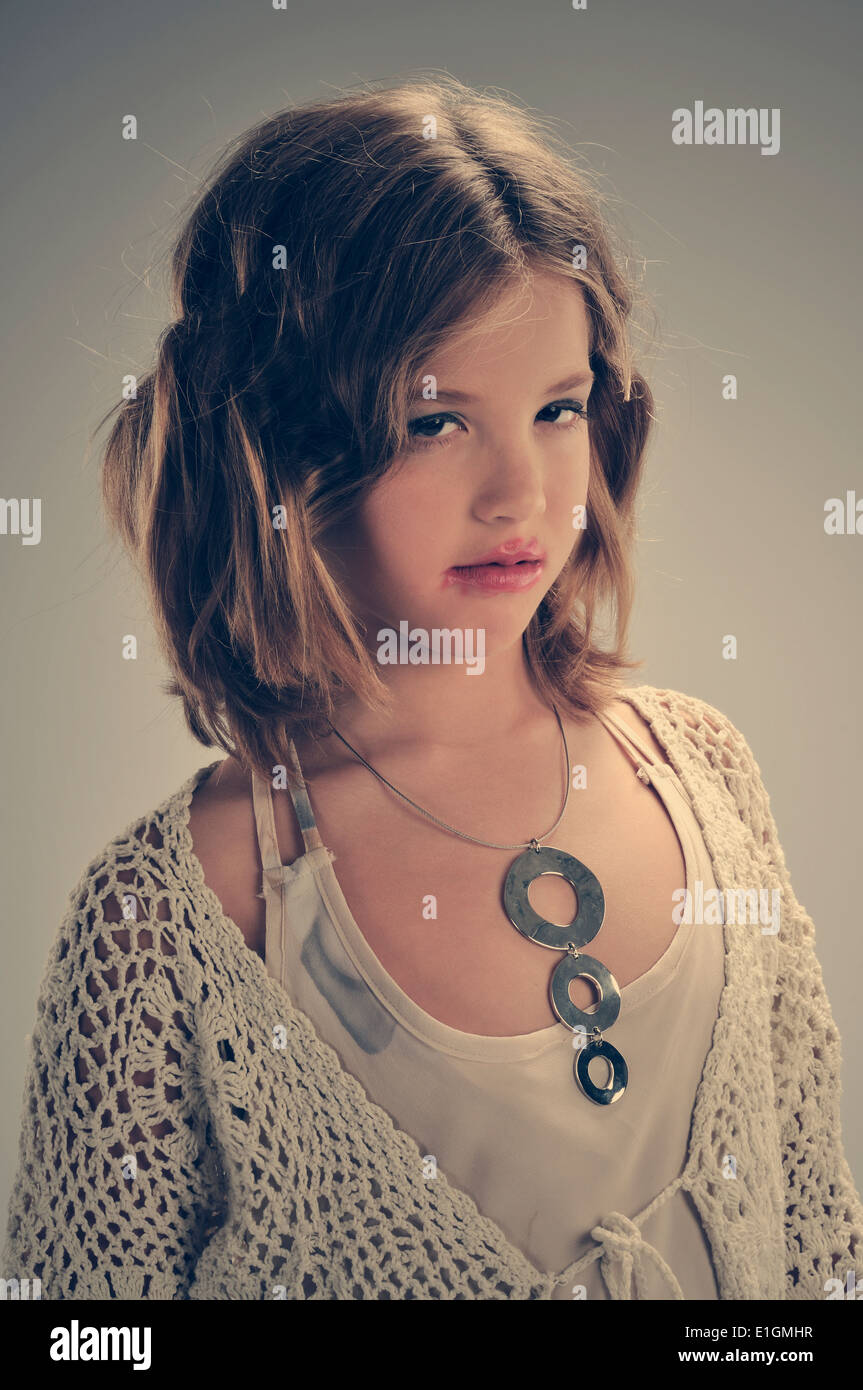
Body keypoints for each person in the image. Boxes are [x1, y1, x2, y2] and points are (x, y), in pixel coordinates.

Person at [4, 75, 861, 1301]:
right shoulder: (177, 918)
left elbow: (821, 1252)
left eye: (557, 408)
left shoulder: (704, 774)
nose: (521, 491)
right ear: (281, 453)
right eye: (434, 421)